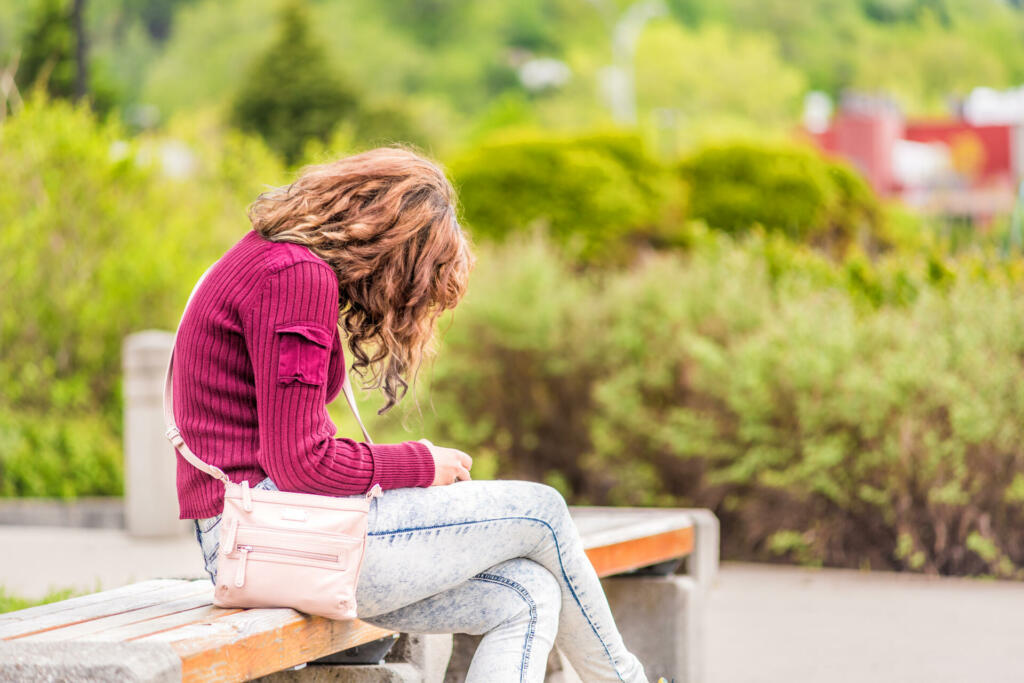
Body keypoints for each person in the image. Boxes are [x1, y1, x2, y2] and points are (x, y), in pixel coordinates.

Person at [174, 146, 651, 682]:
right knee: (543, 512)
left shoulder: (268, 258)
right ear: (391, 247)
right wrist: (421, 466)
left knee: (526, 593)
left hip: (268, 537)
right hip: (269, 539)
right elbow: (302, 465)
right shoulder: (295, 277)